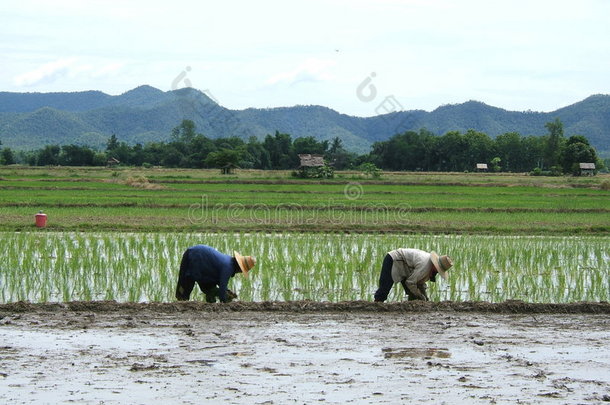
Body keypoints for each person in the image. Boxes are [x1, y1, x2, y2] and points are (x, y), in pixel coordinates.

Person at [175, 244, 256, 302]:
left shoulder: (228, 262)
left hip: (203, 265)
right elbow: (222, 287)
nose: (240, 272)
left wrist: (227, 291)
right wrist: (225, 301)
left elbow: (221, 284)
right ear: (239, 267)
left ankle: (209, 304)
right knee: (187, 279)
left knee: (210, 289)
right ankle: (182, 301)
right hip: (196, 256)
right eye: (241, 270)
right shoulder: (228, 267)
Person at [374, 249, 453, 302]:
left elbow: (419, 282)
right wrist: (420, 295)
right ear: (436, 266)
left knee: (414, 293)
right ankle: (376, 305)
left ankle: (412, 307)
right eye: (439, 270)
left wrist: (424, 298)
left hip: (406, 266)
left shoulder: (429, 265)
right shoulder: (425, 266)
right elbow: (410, 282)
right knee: (384, 288)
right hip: (394, 259)